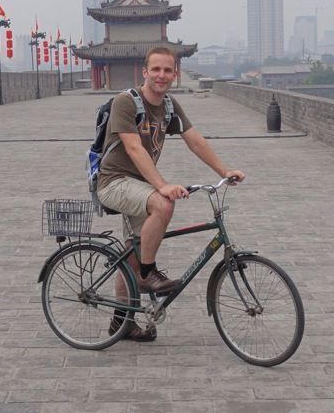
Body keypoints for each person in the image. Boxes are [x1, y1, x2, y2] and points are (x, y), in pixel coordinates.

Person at [97, 47, 245, 341]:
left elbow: (195, 141)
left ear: (175, 74)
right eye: (156, 70)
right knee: (163, 205)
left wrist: (223, 171)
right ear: (145, 71)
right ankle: (148, 275)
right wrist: (162, 185)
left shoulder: (168, 106)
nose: (162, 76)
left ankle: (121, 322)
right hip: (114, 182)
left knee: (133, 255)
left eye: (167, 71)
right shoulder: (125, 102)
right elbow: (134, 148)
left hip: (140, 185)